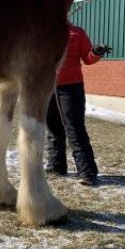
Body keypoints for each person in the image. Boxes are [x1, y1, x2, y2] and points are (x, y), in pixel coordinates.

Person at [45, 24, 111, 185]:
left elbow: (88, 58)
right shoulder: (44, 30)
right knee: (53, 127)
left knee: (75, 128)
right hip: (47, 86)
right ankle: (56, 165)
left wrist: (96, 52)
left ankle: (87, 172)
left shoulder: (77, 32)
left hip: (71, 88)